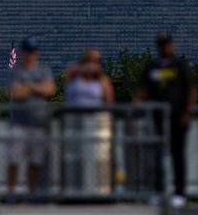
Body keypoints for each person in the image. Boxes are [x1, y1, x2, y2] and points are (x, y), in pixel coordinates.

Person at [136, 33, 196, 206]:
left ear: (172, 46)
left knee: (178, 155)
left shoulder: (179, 66)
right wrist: (137, 102)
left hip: (177, 118)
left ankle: (179, 192)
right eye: (162, 45)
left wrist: (187, 112)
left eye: (167, 45)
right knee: (157, 155)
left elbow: (191, 89)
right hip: (157, 117)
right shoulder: (152, 67)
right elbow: (143, 88)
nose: (164, 48)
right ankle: (159, 190)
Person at [6, 36, 55, 197]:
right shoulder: (16, 71)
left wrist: (28, 86)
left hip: (37, 123)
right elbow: (15, 92)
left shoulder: (44, 70)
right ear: (22, 52)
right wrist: (37, 87)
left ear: (37, 53)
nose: (30, 54)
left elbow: (50, 90)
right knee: (13, 160)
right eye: (27, 51)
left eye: (33, 51)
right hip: (19, 124)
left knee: (34, 163)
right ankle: (11, 194)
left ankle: (31, 195)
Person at [64, 49, 116, 194]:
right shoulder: (74, 76)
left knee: (99, 157)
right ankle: (73, 189)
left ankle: (101, 190)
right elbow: (67, 76)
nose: (92, 64)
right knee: (74, 157)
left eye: (96, 61)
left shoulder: (102, 80)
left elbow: (109, 101)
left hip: (96, 124)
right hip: (74, 123)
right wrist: (82, 69)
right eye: (90, 60)